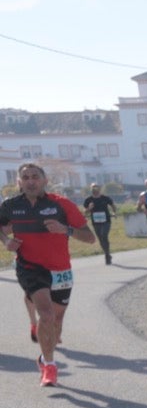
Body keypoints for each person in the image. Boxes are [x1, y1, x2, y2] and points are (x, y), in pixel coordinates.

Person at [0, 163, 96, 387]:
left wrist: (66, 230)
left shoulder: (62, 205)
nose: (30, 181)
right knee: (46, 315)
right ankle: (51, 367)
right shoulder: (11, 206)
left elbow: (89, 238)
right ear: (19, 183)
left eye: (35, 177)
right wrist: (6, 241)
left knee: (57, 321)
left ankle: (44, 357)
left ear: (44, 181)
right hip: (30, 267)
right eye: (25, 177)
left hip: (60, 269)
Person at [82, 183, 117, 264]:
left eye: (96, 187)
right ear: (91, 189)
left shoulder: (105, 198)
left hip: (106, 221)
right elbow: (85, 213)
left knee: (104, 235)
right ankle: (107, 253)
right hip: (96, 222)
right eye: (93, 188)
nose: (95, 189)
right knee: (101, 239)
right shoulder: (88, 200)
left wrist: (114, 212)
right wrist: (89, 208)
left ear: (99, 189)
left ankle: (107, 256)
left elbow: (113, 206)